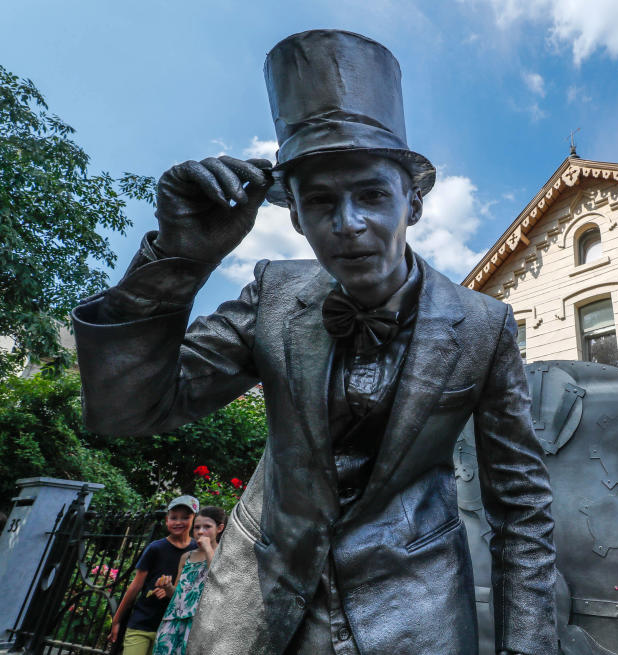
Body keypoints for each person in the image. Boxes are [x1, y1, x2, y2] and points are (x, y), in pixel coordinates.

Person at [72, 30, 556, 655]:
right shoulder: (272, 293)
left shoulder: (485, 326)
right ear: (295, 216)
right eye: (321, 201)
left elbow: (521, 508)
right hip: (252, 610)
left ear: (413, 201)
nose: (348, 223)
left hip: (415, 617)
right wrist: (178, 262)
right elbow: (129, 410)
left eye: (373, 195)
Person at [109, 496, 199, 655]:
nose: (178, 522)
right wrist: (116, 621)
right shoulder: (155, 548)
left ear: (194, 519)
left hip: (170, 628)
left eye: (185, 517)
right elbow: (135, 586)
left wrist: (170, 590)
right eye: (174, 517)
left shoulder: (197, 551)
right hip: (141, 623)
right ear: (166, 520)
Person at [152, 506, 226, 655]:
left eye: (207, 527)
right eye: (197, 527)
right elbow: (177, 593)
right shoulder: (187, 557)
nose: (200, 531)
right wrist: (168, 587)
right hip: (173, 620)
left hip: (198, 623)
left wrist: (207, 548)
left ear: (219, 528)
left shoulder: (223, 554)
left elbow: (217, 578)